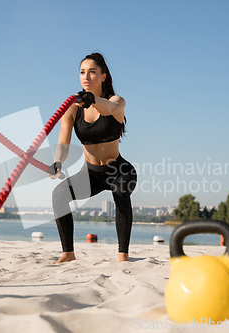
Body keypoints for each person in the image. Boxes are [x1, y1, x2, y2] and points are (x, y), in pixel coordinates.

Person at [47, 52, 137, 263]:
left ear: (103, 76)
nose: (86, 76)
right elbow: (63, 144)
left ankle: (123, 255)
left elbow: (109, 108)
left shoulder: (116, 101)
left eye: (92, 72)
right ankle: (68, 253)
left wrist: (93, 100)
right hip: (91, 173)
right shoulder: (72, 108)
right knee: (59, 195)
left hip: (118, 170)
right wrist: (58, 162)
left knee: (121, 191)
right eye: (82, 72)